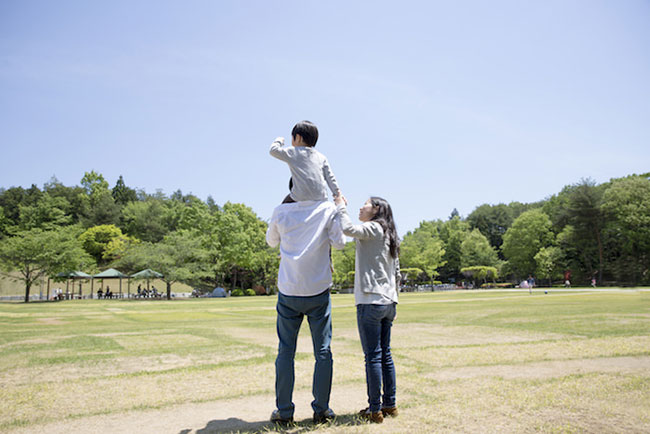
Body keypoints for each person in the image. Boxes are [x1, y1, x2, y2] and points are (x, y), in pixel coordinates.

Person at [266, 198, 346, 425]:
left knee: (285, 351)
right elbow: (340, 243)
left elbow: (271, 242)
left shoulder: (280, 210)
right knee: (322, 352)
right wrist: (339, 208)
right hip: (318, 290)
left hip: (289, 289)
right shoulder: (326, 209)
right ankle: (321, 410)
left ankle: (284, 411)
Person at [335, 194, 401, 424]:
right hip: (388, 301)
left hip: (371, 300)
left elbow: (347, 228)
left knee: (373, 356)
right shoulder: (391, 234)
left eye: (364, 204)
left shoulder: (373, 228)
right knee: (386, 355)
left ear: (376, 209)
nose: (360, 207)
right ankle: (389, 404)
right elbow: (397, 273)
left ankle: (375, 409)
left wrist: (340, 205)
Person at [270, 120, 340, 204]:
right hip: (321, 198)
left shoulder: (293, 151)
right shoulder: (322, 157)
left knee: (283, 206)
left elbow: (273, 150)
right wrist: (338, 194)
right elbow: (330, 178)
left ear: (298, 137)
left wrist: (279, 140)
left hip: (300, 196)